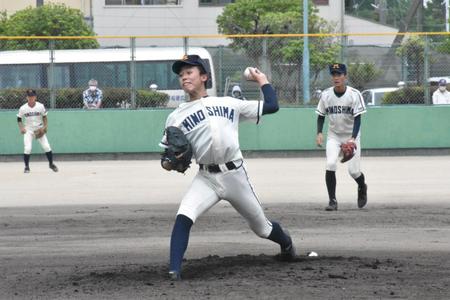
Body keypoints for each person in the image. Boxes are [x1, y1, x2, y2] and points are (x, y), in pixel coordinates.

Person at [160, 54, 296, 280]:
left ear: (203, 76)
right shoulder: (176, 117)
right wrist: (169, 162)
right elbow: (166, 158)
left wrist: (262, 80)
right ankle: (174, 270)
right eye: (181, 74)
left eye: (189, 72)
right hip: (206, 178)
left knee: (262, 228)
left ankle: (287, 244)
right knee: (184, 216)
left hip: (235, 176)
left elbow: (272, 106)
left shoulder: (229, 103)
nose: (184, 77)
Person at [315, 63, 367, 211]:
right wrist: (319, 132)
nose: (336, 77)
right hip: (334, 136)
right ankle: (332, 201)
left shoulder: (354, 94)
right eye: (333, 74)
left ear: (345, 76)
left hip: (352, 136)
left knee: (354, 172)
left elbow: (358, 119)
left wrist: (352, 138)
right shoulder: (326, 95)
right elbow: (320, 115)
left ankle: (362, 186)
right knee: (330, 164)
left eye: (339, 74)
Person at [17, 89, 58, 173]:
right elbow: (19, 118)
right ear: (27, 97)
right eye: (29, 96)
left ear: (35, 97)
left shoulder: (40, 106)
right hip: (28, 130)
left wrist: (45, 126)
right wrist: (21, 128)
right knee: (27, 148)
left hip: (39, 129)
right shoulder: (23, 108)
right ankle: (26, 167)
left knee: (46, 146)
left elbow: (44, 117)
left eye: (32, 96)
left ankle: (51, 164)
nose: (31, 98)